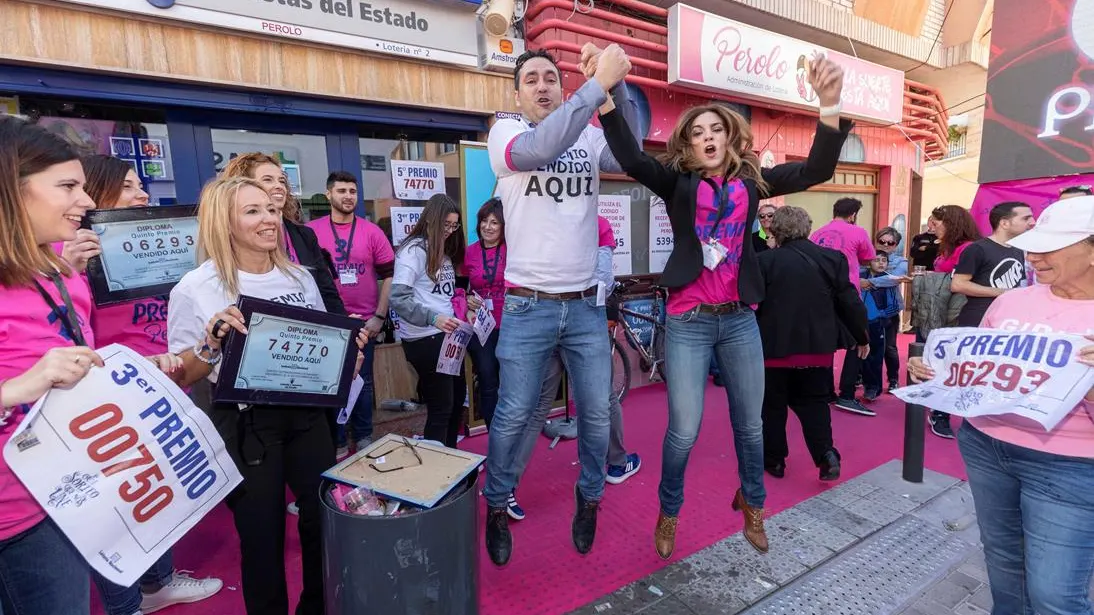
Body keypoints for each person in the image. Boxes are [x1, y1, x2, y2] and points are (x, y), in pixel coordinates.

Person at [600, 51, 852, 559]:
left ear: (731, 136)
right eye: (697, 132)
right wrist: (605, 96)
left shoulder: (753, 182)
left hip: (739, 320)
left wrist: (829, 105)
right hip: (689, 321)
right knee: (684, 430)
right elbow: (630, 159)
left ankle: (753, 504)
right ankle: (670, 509)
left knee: (750, 424)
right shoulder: (677, 183)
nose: (708, 137)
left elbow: (819, 166)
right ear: (689, 145)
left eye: (716, 129)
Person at [167, 176, 366, 615]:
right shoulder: (195, 287)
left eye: (271, 209)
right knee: (262, 535)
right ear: (225, 222)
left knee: (323, 522)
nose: (268, 219)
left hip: (308, 416)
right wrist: (212, 341)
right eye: (252, 211)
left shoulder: (299, 276)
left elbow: (320, 350)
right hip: (246, 424)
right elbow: (183, 373)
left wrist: (347, 353)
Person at [481, 43, 640, 566]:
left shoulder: (590, 133)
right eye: (532, 79)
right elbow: (536, 153)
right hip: (528, 307)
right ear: (518, 91)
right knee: (512, 415)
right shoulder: (506, 132)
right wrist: (594, 88)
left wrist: (612, 84)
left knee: (597, 413)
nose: (544, 85)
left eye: (552, 76)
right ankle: (497, 504)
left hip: (585, 308)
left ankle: (589, 497)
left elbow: (631, 153)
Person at [908, 196, 1094, 615]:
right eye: (1034, 242)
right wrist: (937, 371)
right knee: (1004, 566)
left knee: (1055, 595)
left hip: (1071, 466)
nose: (1035, 255)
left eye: (1052, 246)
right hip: (986, 445)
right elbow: (977, 373)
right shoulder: (1012, 301)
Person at [61, 155, 223, 615]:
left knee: (156, 495)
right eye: (130, 187)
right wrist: (66, 273)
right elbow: (69, 343)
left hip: (168, 386)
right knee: (117, 510)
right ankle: (127, 601)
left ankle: (158, 582)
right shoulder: (70, 260)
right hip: (113, 398)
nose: (143, 195)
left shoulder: (161, 251)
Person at [0, 115, 104, 615]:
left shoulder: (59, 271)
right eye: (67, 186)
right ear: (11, 192)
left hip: (49, 505)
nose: (85, 202)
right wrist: (17, 388)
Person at [757, 206, 867, 483]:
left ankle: (775, 460)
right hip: (818, 347)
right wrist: (862, 337)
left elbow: (752, 305)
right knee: (815, 404)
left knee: (772, 406)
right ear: (807, 228)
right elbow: (850, 301)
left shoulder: (765, 262)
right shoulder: (833, 258)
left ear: (775, 229)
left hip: (774, 347)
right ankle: (825, 454)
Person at [307, 171, 394, 457]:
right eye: (342, 191)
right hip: (328, 323)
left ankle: (365, 434)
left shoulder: (372, 231)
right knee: (329, 383)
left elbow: (390, 276)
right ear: (328, 194)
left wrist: (380, 317)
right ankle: (338, 440)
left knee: (363, 381)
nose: (348, 196)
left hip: (365, 323)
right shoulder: (312, 232)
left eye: (353, 191)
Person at [222, 153, 344, 316]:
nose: (279, 186)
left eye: (282, 180)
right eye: (268, 180)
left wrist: (345, 329)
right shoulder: (232, 239)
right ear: (244, 185)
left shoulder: (305, 235)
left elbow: (326, 290)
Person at [390, 194, 467, 449]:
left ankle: (451, 459)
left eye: (454, 225)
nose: (450, 231)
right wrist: (433, 318)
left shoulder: (442, 251)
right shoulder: (413, 251)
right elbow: (399, 299)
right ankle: (437, 471)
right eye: (446, 224)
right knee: (441, 406)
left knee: (456, 400)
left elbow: (438, 293)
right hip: (425, 338)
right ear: (432, 220)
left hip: (446, 336)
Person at [925, 204, 982, 438]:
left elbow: (958, 283)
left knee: (955, 365)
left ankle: (943, 412)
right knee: (943, 363)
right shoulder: (949, 247)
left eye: (937, 224)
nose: (933, 228)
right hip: (941, 311)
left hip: (958, 314)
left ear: (952, 224)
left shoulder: (968, 249)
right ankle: (939, 410)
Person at [951, 201, 1034, 328]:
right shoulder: (977, 249)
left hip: (1009, 319)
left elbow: (1019, 283)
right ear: (1004, 223)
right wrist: (1003, 292)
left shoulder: (1018, 249)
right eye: (1026, 218)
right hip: (978, 319)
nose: (1032, 222)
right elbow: (958, 284)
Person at [463, 198, 506, 430]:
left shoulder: (513, 250)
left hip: (511, 324)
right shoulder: (469, 253)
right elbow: (459, 288)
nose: (488, 227)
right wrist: (466, 299)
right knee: (487, 378)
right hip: (482, 327)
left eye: (494, 222)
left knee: (510, 381)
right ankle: (494, 432)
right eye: (484, 221)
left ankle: (513, 431)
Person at [861, 226, 909, 391]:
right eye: (882, 241)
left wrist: (870, 282)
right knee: (865, 345)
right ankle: (863, 377)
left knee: (890, 347)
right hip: (867, 311)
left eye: (890, 243)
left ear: (896, 245)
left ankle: (893, 379)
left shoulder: (901, 262)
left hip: (889, 311)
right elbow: (856, 275)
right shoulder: (865, 257)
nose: (885, 245)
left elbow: (894, 279)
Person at [811, 197, 876, 286]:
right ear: (853, 216)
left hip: (820, 288)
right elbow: (868, 258)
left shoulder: (816, 233)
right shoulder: (859, 232)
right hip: (847, 289)